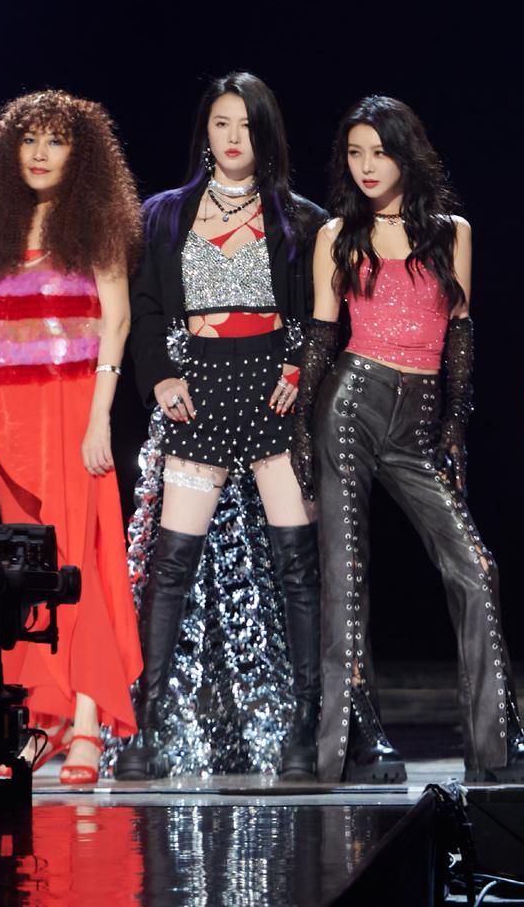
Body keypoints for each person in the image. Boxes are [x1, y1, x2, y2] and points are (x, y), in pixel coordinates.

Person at [294, 95, 524, 785]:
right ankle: (358, 737)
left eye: (379, 152)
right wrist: (299, 432)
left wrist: (453, 429)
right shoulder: (337, 234)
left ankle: (496, 742)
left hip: (417, 418)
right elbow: (321, 334)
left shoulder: (451, 232)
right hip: (350, 403)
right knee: (348, 573)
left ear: (405, 154)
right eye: (355, 153)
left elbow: (461, 335)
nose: (367, 166)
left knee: (476, 566)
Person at [117, 71, 327, 779]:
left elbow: (320, 313)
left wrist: (298, 369)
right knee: (171, 564)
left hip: (273, 394)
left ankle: (305, 730)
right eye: (221, 123)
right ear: (204, 132)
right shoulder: (163, 215)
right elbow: (146, 305)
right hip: (198, 391)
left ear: (267, 134)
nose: (234, 137)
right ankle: (145, 729)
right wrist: (160, 375)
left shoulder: (302, 219)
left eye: (247, 124)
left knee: (297, 566)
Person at [0, 90, 143, 786]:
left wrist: (99, 417)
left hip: (72, 409)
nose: (38, 153)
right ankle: (41, 722)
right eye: (28, 139)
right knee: (19, 574)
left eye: (55, 140)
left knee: (76, 563)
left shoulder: (95, 223)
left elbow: (116, 323)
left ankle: (86, 722)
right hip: (6, 416)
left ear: (78, 154)